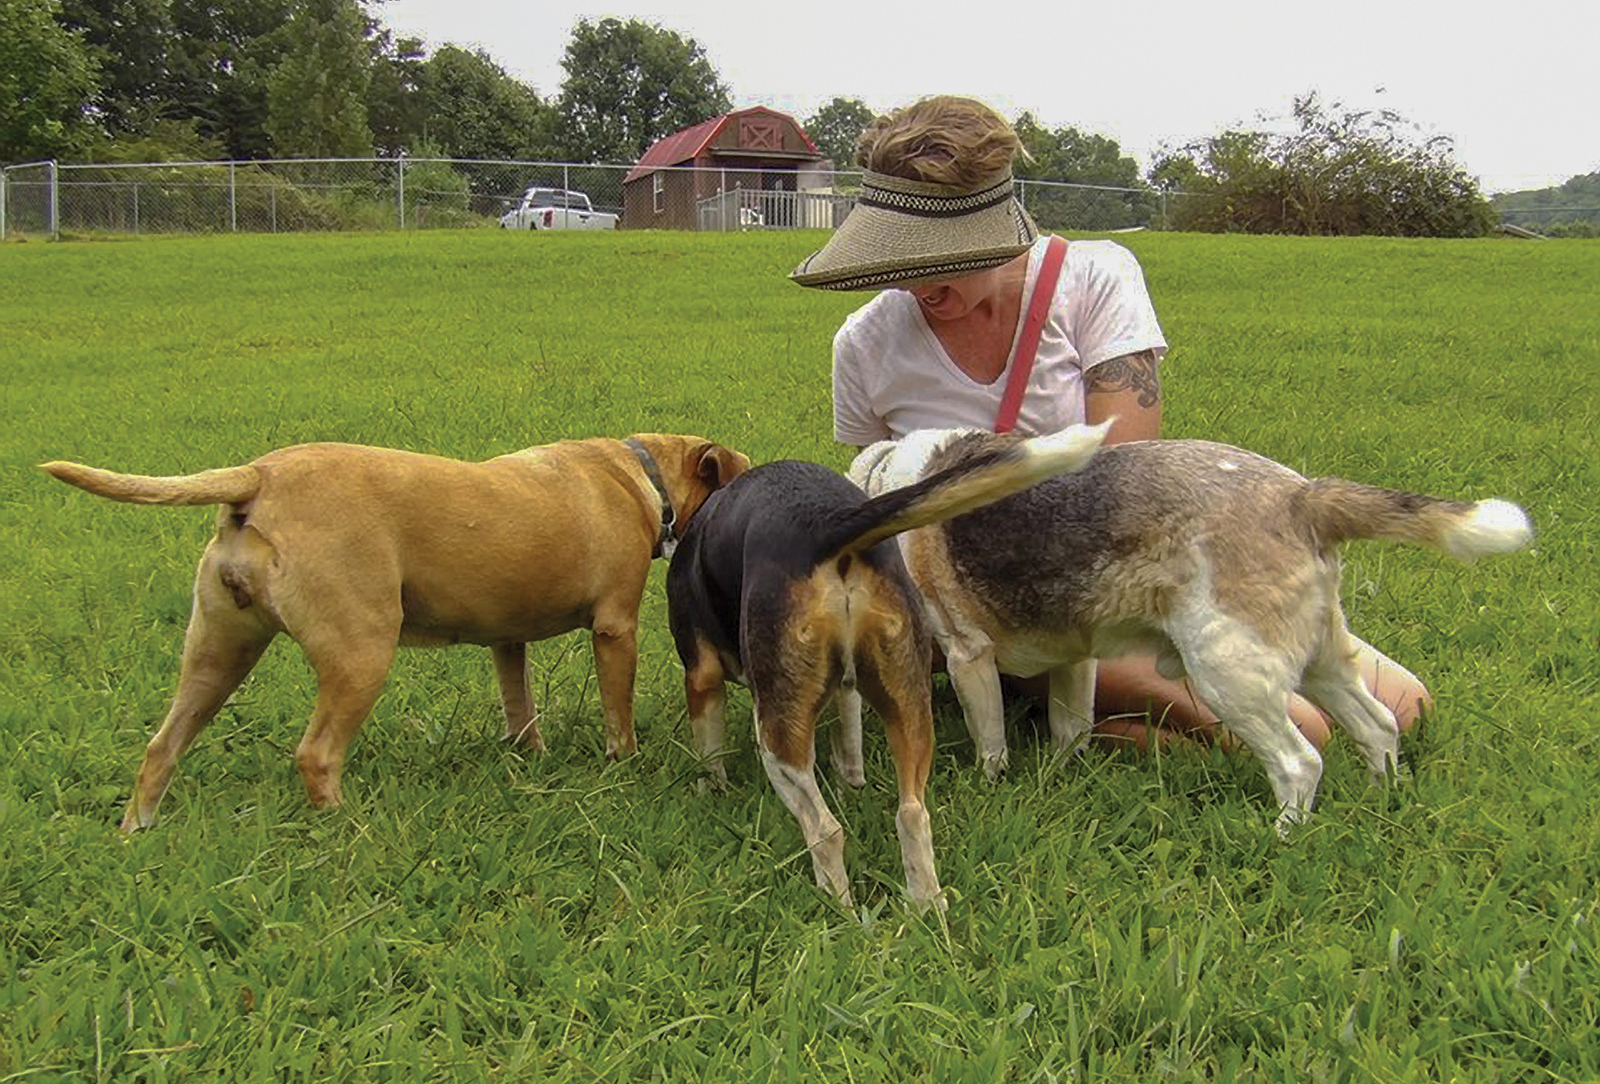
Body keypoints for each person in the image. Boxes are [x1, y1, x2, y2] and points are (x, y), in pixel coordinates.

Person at [791, 94, 1430, 752]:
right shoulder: (865, 345)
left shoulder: (1095, 280)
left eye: (940, 254)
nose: (917, 280)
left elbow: (1120, 478)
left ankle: (1075, 715)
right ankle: (1045, 699)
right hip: (986, 607)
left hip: (1109, 573)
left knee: (1408, 706)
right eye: (899, 254)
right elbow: (882, 523)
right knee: (1308, 732)